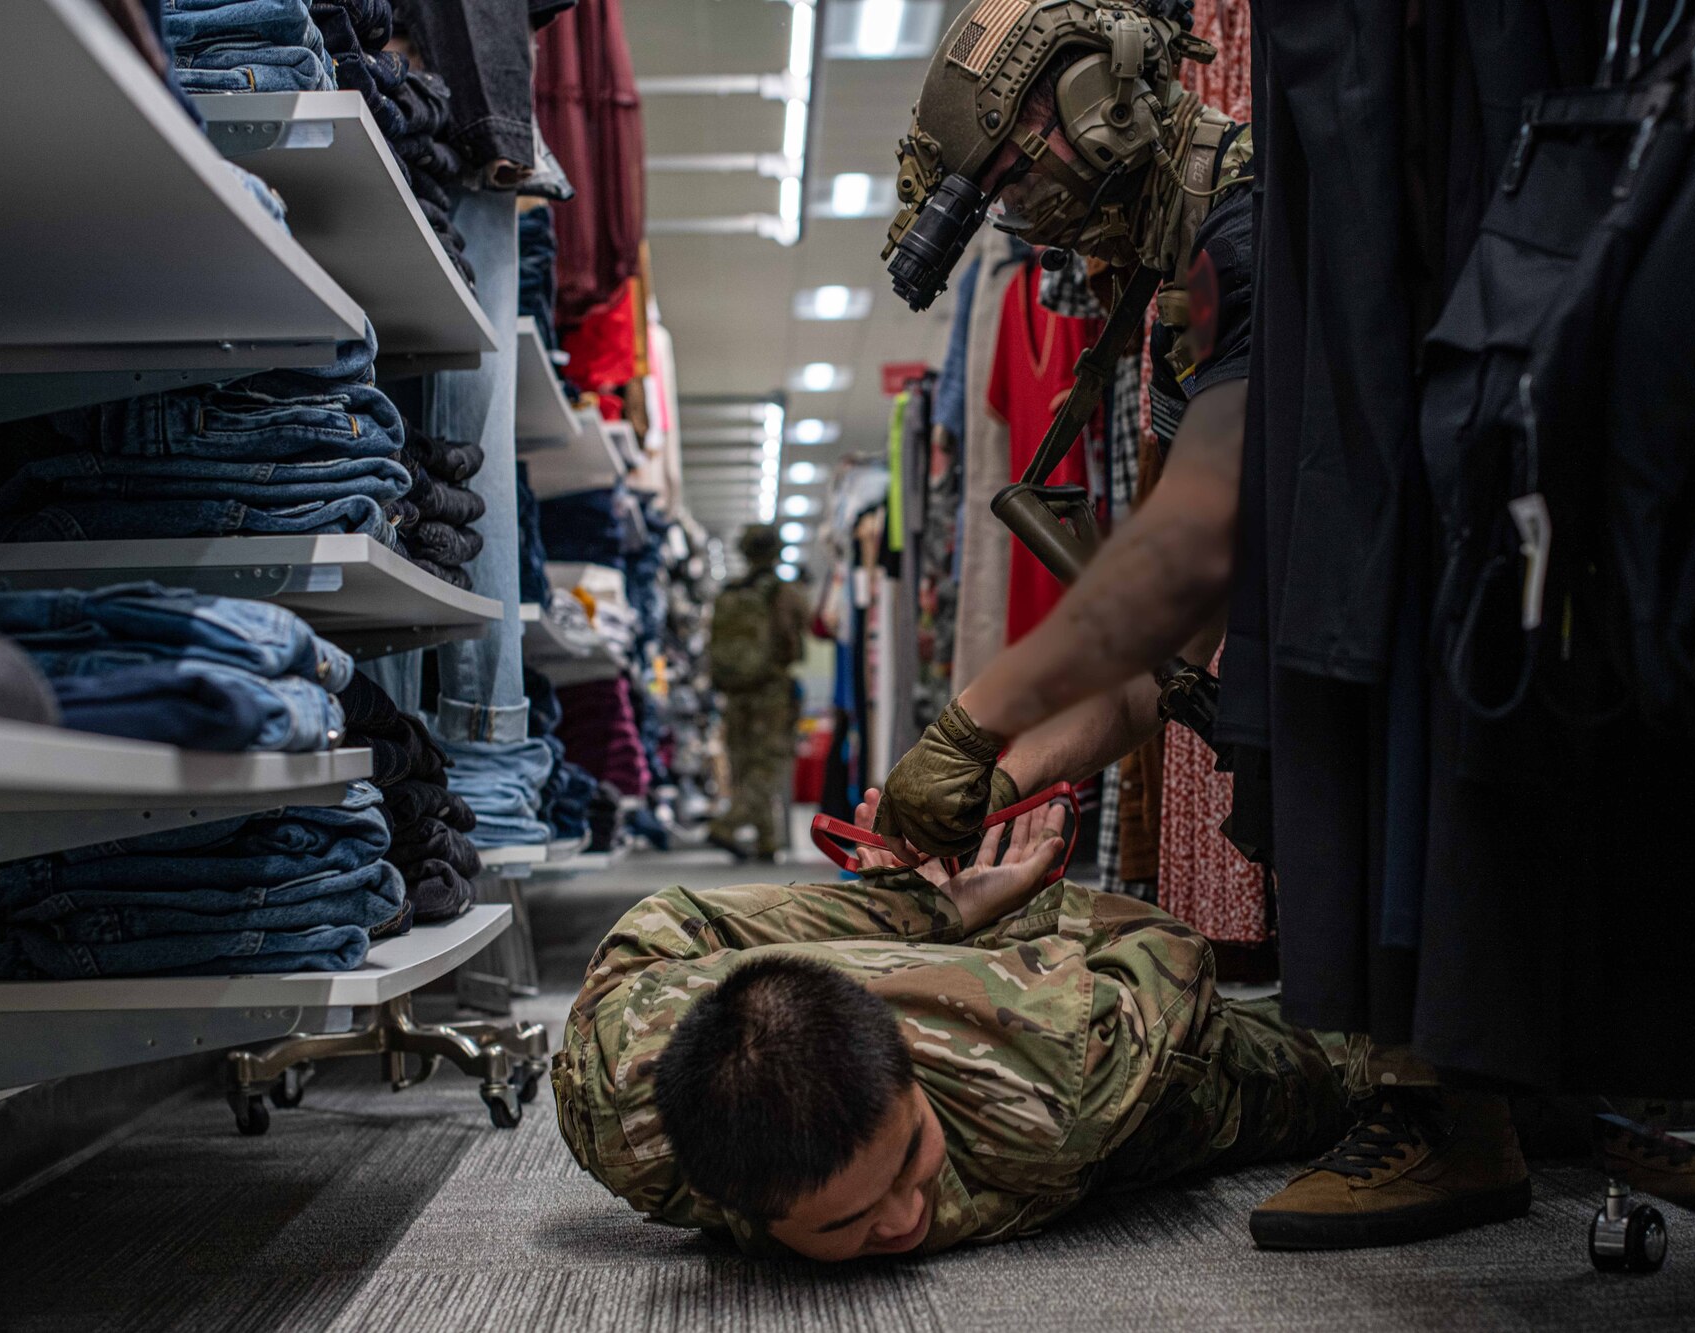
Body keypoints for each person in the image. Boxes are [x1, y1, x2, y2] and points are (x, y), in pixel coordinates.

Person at [871, 0, 1531, 1249]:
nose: (1025, 209)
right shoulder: (1190, 275)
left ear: (1095, 98)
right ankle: (1471, 1067)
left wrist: (968, 727)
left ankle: (1448, 1106)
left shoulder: (1249, 229)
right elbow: (1162, 646)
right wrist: (1000, 784)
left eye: (1019, 165)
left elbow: (1183, 556)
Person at [550, 789, 1346, 1259]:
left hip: (1196, 1077)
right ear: (733, 1204)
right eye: (849, 1221)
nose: (903, 1217)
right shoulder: (618, 1104)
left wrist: (930, 913)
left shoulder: (1059, 1073)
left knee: (1355, 1067)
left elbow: (1171, 951)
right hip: (1067, 1058)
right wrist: (967, 935)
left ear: (909, 1072)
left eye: (909, 1154)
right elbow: (656, 932)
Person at [706, 524, 807, 860]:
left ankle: (766, 841)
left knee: (745, 762)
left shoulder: (729, 592)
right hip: (772, 690)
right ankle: (728, 824)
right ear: (776, 552)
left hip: (736, 691)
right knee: (769, 762)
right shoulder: (783, 592)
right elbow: (798, 638)